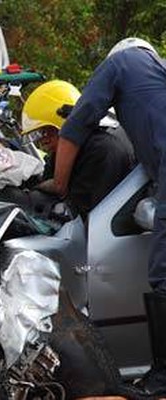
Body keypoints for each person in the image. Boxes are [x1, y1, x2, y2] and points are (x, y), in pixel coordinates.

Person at [54, 37, 166, 395]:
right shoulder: (155, 77)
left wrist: (58, 184)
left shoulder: (120, 64)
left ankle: (163, 376)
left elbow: (74, 127)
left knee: (164, 273)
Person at [21, 80, 135, 216]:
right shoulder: (62, 152)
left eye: (44, 131)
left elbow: (78, 214)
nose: (42, 141)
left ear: (63, 124)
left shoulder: (102, 150)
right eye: (37, 134)